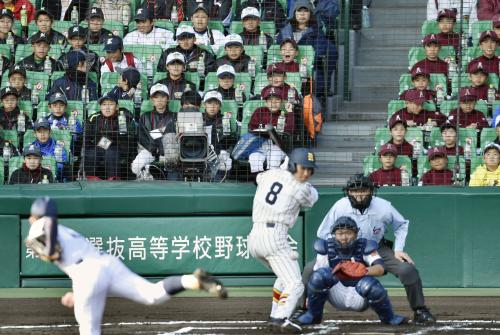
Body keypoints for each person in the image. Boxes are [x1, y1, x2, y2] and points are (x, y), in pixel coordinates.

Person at [25, 196, 227, 335]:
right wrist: (77, 294)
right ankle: (192, 280)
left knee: (89, 331)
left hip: (86, 273)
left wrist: (49, 245)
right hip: (105, 264)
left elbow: (48, 221)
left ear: (35, 214)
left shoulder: (40, 224)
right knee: (151, 294)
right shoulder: (65, 230)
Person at [315, 174, 436, 324]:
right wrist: (338, 247)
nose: (359, 194)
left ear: (371, 191)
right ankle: (303, 309)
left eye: (363, 190)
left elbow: (402, 224)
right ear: (348, 192)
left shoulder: (384, 206)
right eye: (355, 191)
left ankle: (420, 310)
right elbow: (323, 232)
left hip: (376, 247)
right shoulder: (340, 206)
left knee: (407, 270)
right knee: (309, 271)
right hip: (347, 250)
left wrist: (398, 249)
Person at [247, 147, 319, 333]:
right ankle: (280, 318)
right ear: (293, 165)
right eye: (302, 168)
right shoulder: (300, 188)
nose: (306, 173)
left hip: (255, 238)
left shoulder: (270, 174)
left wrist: (284, 168)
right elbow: (312, 200)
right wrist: (302, 182)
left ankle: (275, 313)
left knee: (285, 278)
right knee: (295, 284)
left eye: (310, 170)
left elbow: (259, 178)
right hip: (274, 237)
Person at [295, 216, 407, 327]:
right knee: (319, 276)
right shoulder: (326, 248)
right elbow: (316, 277)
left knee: (371, 284)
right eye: (340, 233)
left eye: (348, 233)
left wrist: (363, 270)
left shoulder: (365, 246)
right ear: (334, 234)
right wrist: (310, 297)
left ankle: (390, 318)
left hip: (359, 295)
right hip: (336, 292)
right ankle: (312, 315)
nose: (344, 237)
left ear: (356, 233)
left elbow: (381, 268)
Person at [277, 0, 337, 97]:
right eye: (299, 11)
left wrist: (305, 61)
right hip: (286, 66)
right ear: (294, 13)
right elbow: (277, 50)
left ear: (311, 14)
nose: (302, 14)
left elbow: (319, 51)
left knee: (318, 82)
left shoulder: (316, 31)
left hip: (309, 68)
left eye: (305, 11)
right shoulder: (285, 31)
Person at [83, 94, 137, 180]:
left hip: (118, 147)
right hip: (99, 146)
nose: (107, 108)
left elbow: (126, 136)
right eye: (104, 104)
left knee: (111, 152)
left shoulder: (124, 117)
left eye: (111, 104)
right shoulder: (94, 118)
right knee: (91, 152)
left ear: (117, 107)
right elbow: (87, 136)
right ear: (100, 107)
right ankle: (90, 177)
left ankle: (114, 178)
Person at [131, 83, 175, 178]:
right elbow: (141, 136)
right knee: (135, 166)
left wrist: (163, 150)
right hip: (150, 150)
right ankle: (147, 175)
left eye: (162, 97)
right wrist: (154, 149)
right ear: (152, 99)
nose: (159, 100)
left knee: (173, 164)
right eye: (156, 97)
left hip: (169, 151)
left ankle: (159, 175)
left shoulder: (174, 116)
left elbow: (173, 136)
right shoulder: (145, 116)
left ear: (167, 99)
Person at [247, 87, 295, 173]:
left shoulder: (283, 115)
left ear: (281, 102)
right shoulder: (259, 111)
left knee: (274, 158)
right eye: (270, 100)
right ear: (265, 102)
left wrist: (290, 112)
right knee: (254, 158)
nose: (274, 103)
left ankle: (271, 181)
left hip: (278, 146)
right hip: (260, 145)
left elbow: (290, 130)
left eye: (277, 100)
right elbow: (251, 128)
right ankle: (260, 183)